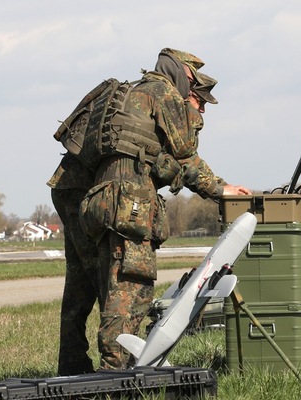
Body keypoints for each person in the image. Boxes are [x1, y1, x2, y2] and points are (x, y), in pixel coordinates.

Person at [48, 48, 250, 375]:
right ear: (187, 82)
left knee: (84, 288)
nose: (199, 112)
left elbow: (160, 162)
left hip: (81, 196)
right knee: (127, 290)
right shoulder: (164, 92)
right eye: (199, 102)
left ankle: (73, 370)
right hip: (124, 200)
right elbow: (185, 155)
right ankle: (117, 378)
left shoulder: (133, 96)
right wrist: (220, 189)